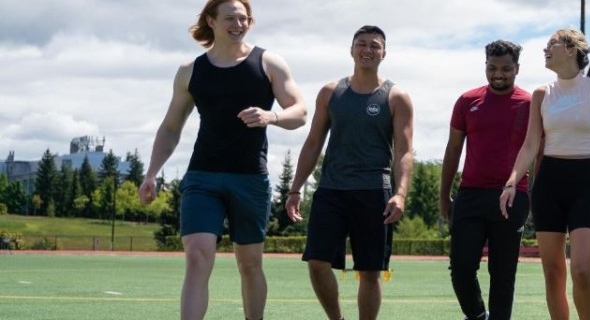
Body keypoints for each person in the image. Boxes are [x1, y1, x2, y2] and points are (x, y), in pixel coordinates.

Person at [137, 0, 308, 319]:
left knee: (250, 264)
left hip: (250, 179)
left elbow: (300, 111)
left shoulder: (269, 62)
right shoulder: (190, 71)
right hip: (203, 177)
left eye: (244, 19)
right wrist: (151, 173)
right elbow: (171, 127)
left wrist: (271, 115)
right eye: (231, 18)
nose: (239, 24)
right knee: (198, 257)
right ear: (211, 21)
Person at [497, 28, 590, 320]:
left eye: (551, 44)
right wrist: (511, 182)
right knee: (553, 272)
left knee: (581, 270)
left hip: (586, 183)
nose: (545, 49)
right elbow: (531, 144)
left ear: (571, 49)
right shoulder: (541, 93)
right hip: (549, 184)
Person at [284, 25, 413, 320]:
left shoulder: (396, 96)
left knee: (369, 271)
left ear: (384, 53)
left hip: (374, 192)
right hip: (331, 190)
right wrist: (295, 189)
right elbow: (314, 141)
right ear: (351, 49)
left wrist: (400, 193)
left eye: (375, 46)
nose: (368, 50)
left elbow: (405, 151)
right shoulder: (331, 92)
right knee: (317, 262)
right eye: (362, 44)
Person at [441, 39, 532, 320]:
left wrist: (537, 199)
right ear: (485, 66)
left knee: (503, 272)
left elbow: (537, 155)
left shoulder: (529, 103)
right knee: (461, 268)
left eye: (505, 68)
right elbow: (453, 148)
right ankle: (478, 315)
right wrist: (444, 195)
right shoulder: (467, 101)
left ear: (517, 68)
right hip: (470, 195)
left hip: (513, 196)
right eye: (492, 68)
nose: (498, 74)